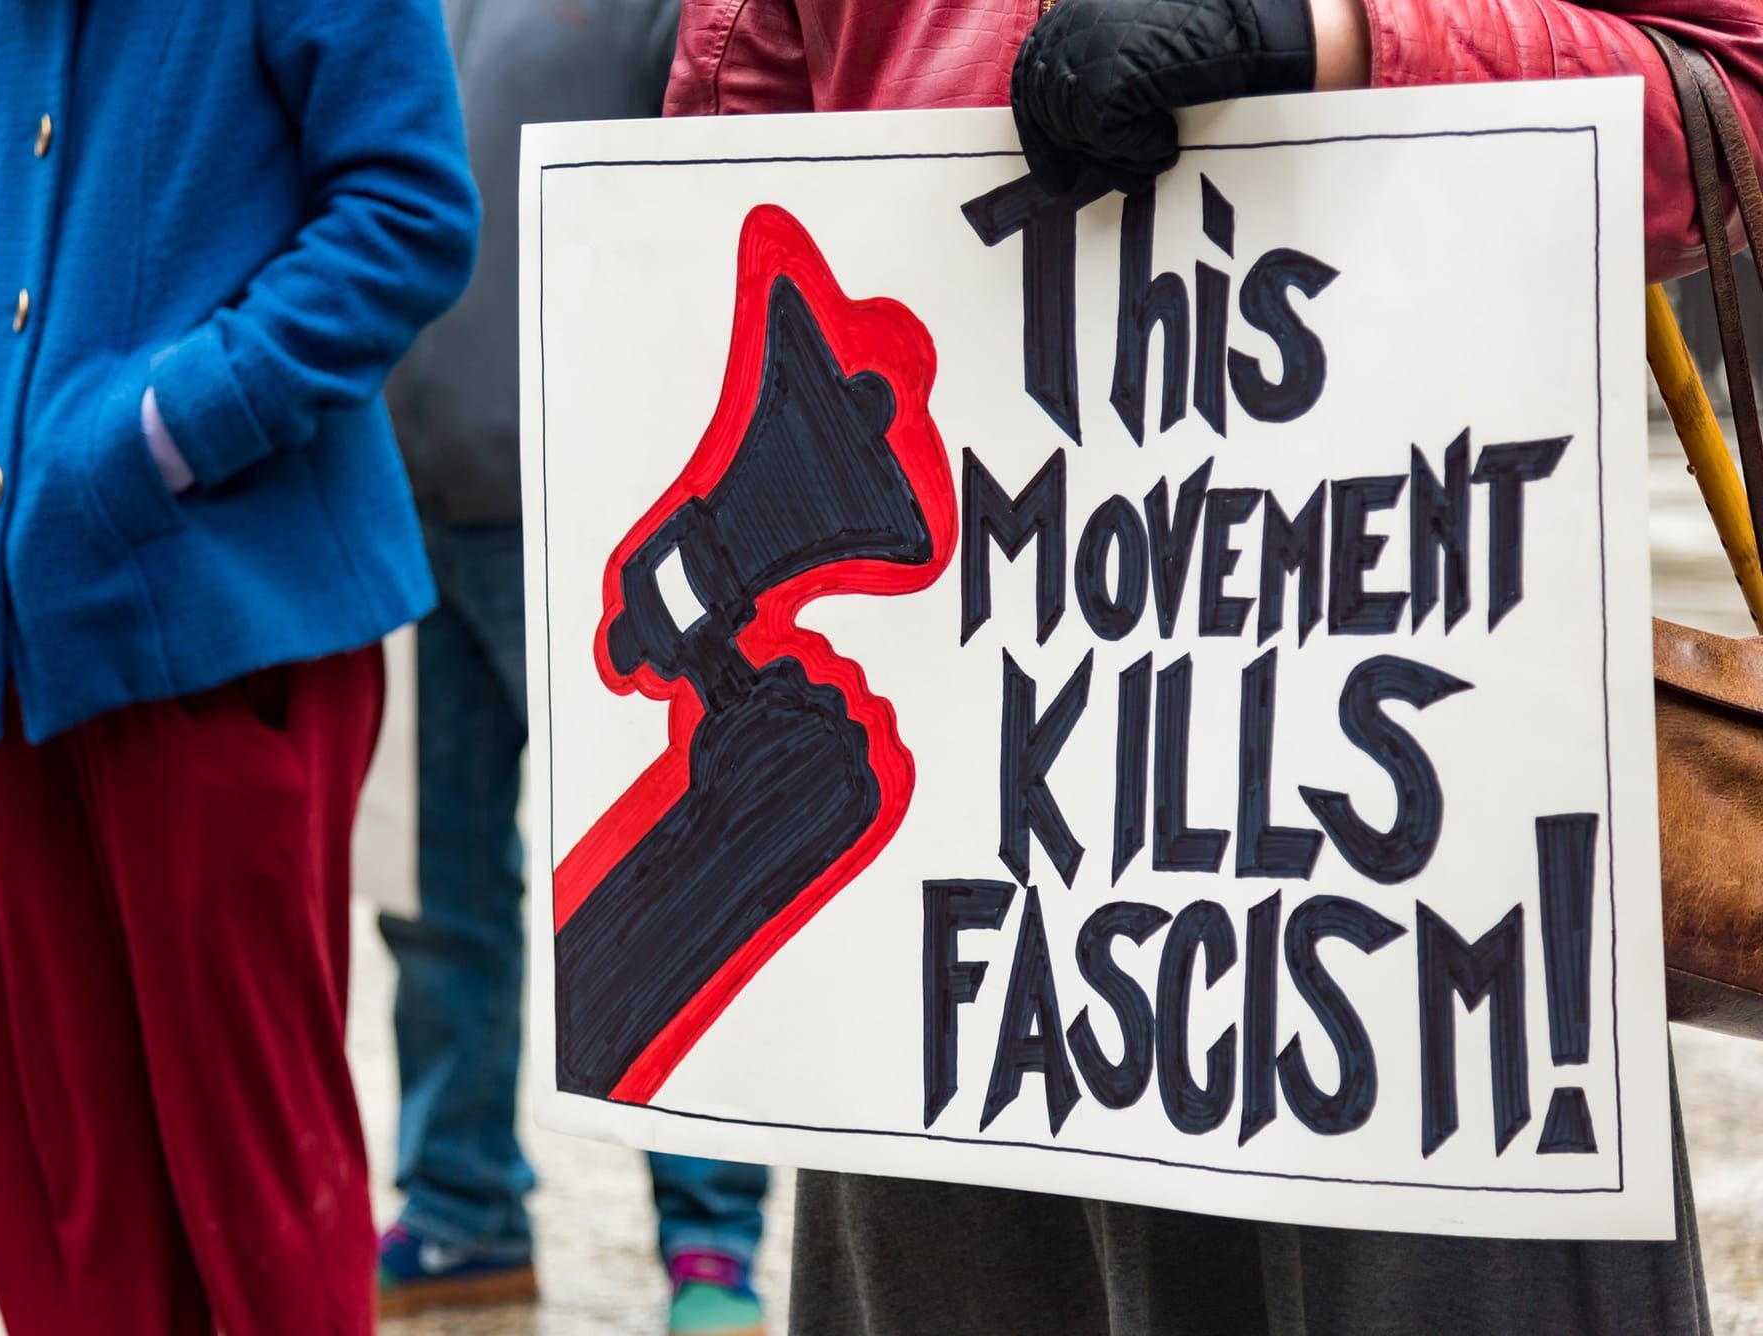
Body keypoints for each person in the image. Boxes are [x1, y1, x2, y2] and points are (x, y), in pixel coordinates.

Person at [666, 0, 1762, 1332]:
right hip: (973, 822)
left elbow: (1733, 102)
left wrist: (1325, 42)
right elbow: (730, 165)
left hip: (1409, 841)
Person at [0, 2, 478, 1332]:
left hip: (225, 617)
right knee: (65, 1185)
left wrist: (155, 435)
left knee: (250, 1194)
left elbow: (407, 213)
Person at [371, 2, 772, 1333]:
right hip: (407, 518)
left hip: (597, 520)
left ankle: (712, 1244)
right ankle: (459, 1210)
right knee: (434, 899)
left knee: (664, 894)